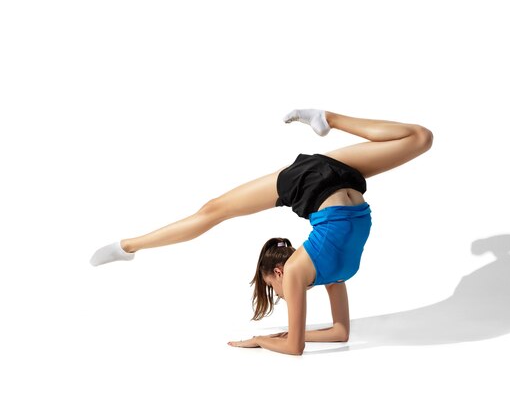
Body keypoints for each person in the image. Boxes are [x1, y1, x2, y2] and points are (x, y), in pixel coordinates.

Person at [89, 109, 433, 355]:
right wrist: (279, 335)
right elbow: (338, 333)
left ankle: (128, 245)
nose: (286, 295)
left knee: (213, 210)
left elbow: (293, 347)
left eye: (276, 290)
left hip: (308, 186)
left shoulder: (306, 270)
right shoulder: (329, 276)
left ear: (279, 270)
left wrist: (264, 340)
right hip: (341, 178)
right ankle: (326, 118)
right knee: (421, 138)